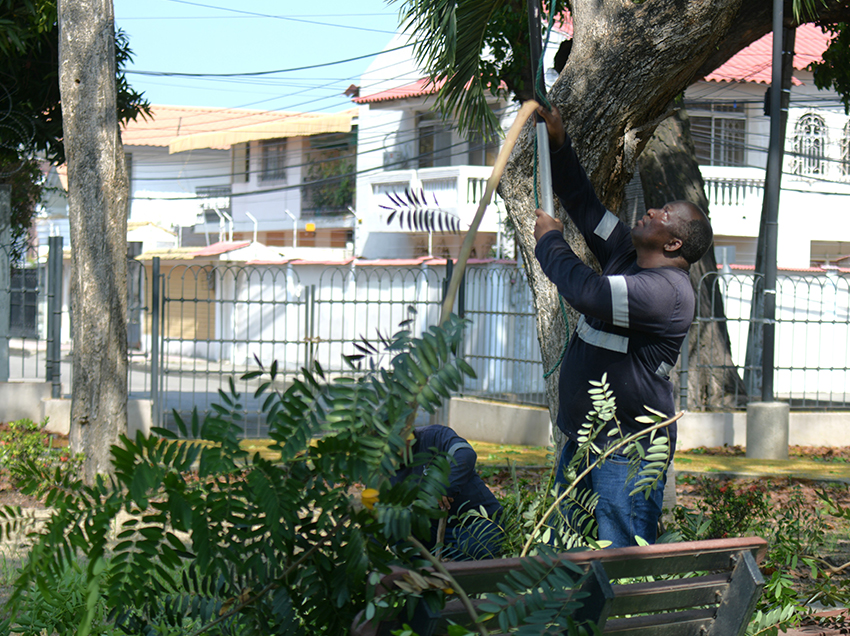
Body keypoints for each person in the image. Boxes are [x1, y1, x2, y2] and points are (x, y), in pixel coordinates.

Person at [533, 106, 713, 548]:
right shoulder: (625, 252)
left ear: (673, 243)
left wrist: (548, 241)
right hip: (586, 440)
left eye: (664, 214)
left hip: (626, 451)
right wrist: (559, 143)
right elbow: (585, 204)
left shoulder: (667, 292)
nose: (651, 210)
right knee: (566, 560)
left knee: (619, 564)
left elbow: (588, 292)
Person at [390, 425, 504, 561]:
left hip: (476, 522)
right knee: (394, 532)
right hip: (432, 531)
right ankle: (425, 570)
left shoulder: (434, 436)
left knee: (474, 552)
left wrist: (445, 486)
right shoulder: (384, 472)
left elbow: (465, 453)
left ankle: (449, 564)